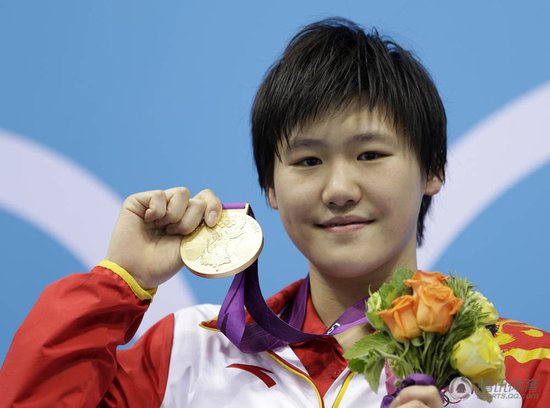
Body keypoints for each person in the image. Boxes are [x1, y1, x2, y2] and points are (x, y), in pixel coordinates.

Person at [0, 18, 548, 408]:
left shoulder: (522, 369)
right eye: (308, 161)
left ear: (432, 169)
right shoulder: (190, 351)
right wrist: (119, 281)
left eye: (370, 155)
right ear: (270, 187)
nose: (339, 189)